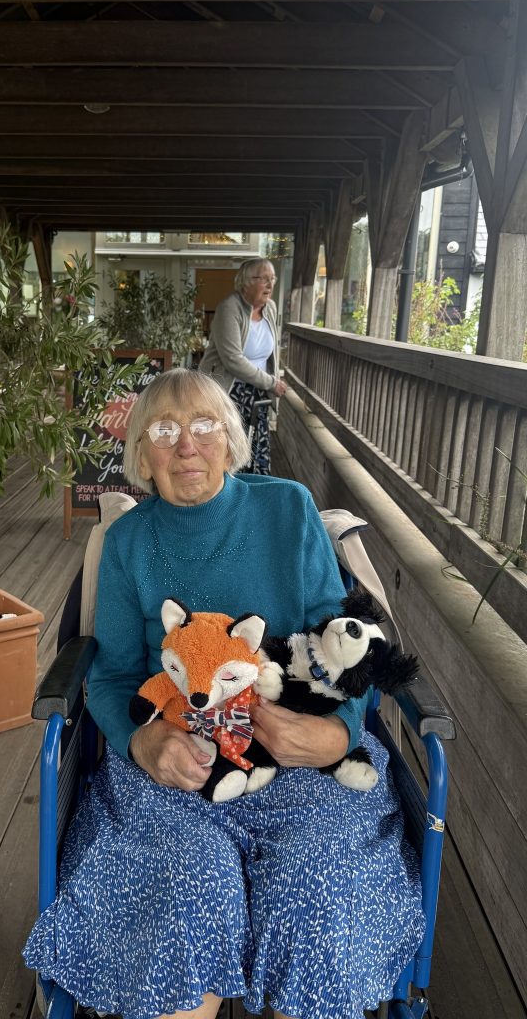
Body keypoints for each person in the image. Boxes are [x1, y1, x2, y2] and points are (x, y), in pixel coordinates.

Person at [24, 369, 424, 1019]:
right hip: (178, 777)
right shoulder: (130, 543)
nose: (187, 445)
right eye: (165, 429)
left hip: (303, 771)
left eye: (205, 425)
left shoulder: (288, 510)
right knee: (188, 893)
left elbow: (338, 640)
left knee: (312, 894)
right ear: (142, 455)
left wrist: (336, 733)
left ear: (233, 439)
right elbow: (115, 675)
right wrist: (143, 741)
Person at [199, 258, 288, 474]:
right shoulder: (229, 308)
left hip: (258, 390)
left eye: (272, 279)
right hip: (230, 390)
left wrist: (269, 382)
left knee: (257, 446)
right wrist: (271, 382)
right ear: (246, 282)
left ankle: (255, 494)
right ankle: (227, 498)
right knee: (230, 450)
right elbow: (232, 359)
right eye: (263, 278)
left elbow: (271, 353)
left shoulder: (270, 308)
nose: (270, 284)